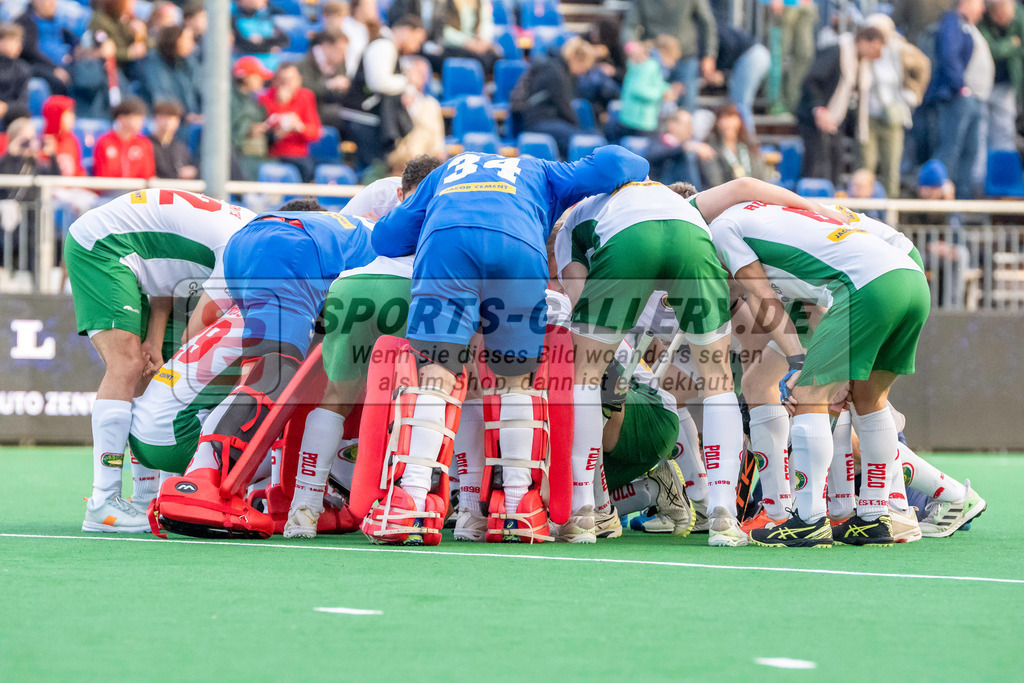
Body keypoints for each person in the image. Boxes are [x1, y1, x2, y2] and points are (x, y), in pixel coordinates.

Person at [368, 145, 649, 544]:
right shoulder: (542, 170)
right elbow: (622, 162)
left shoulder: (446, 171)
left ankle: (410, 504)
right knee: (514, 379)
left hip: (448, 248)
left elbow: (385, 237)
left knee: (437, 372)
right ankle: (518, 508)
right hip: (518, 248)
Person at [703, 197, 929, 548]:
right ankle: (873, 516)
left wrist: (799, 366)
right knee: (869, 399)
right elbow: (812, 302)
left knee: (808, 396)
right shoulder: (770, 220)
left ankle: (808, 520)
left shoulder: (720, 229)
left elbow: (762, 294)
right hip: (912, 280)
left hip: (867, 285)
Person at [157, 200, 377, 539]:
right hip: (292, 249)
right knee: (274, 376)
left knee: (284, 378)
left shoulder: (348, 227)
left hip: (247, 242)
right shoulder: (397, 249)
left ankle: (278, 493)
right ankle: (202, 477)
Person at [64, 189, 255, 532]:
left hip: (134, 254)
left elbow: (164, 269)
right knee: (126, 365)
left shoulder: (249, 232)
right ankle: (103, 504)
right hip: (103, 247)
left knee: (147, 368)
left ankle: (144, 498)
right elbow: (193, 342)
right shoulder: (241, 251)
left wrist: (154, 339)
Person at [282, 156, 443, 538]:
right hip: (411, 286)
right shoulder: (447, 206)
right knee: (433, 389)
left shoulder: (387, 207)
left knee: (336, 396)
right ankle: (414, 501)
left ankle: (303, 507)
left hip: (352, 284)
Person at [796, 25, 886, 185]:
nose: (877, 54)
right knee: (815, 163)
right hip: (814, 116)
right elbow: (811, 80)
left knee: (835, 161)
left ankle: (833, 196)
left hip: (836, 118)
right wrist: (819, 109)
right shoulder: (837, 52)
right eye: (875, 47)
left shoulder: (862, 64)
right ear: (864, 41)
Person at [922, 0, 992, 199]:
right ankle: (937, 210)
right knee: (950, 152)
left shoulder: (969, 25)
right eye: (980, 3)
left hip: (974, 98)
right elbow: (949, 55)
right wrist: (960, 86)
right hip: (958, 98)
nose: (983, 9)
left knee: (969, 154)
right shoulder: (953, 22)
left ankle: (960, 208)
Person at [340, 15, 427, 170]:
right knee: (374, 171)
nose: (416, 47)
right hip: (362, 120)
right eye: (417, 40)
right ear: (407, 31)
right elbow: (379, 83)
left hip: (369, 119)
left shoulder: (388, 46)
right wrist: (407, 80)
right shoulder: (383, 46)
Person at [862, 13, 931, 200]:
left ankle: (890, 211)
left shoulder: (901, 49)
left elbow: (923, 66)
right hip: (867, 115)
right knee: (865, 166)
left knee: (891, 166)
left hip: (893, 114)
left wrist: (913, 93)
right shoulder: (864, 50)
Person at [627, 0, 717, 113]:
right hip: (655, 58)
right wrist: (632, 47)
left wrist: (709, 55)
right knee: (655, 107)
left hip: (686, 57)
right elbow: (630, 26)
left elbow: (706, 23)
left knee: (685, 107)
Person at [517, 37, 596, 159]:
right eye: (583, 68)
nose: (581, 73)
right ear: (577, 60)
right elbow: (563, 106)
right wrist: (577, 127)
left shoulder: (556, 68)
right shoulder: (555, 72)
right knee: (579, 138)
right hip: (539, 121)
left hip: (544, 119)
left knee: (586, 135)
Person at [259, 62, 322, 182]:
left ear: (299, 80)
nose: (287, 84)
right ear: (275, 81)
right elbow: (263, 131)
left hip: (300, 155)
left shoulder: (306, 96)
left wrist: (299, 127)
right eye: (282, 80)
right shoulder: (265, 98)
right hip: (275, 155)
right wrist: (282, 105)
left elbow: (315, 133)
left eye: (291, 80)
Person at [978, 0, 1024, 153]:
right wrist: (1011, 44)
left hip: (1009, 82)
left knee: (1005, 129)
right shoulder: (983, 19)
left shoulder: (1020, 17)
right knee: (983, 129)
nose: (1002, 21)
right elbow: (990, 49)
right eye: (998, 17)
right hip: (986, 83)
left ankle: (1004, 165)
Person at [388, 56, 446, 173]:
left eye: (423, 73)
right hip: (400, 162)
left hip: (426, 162)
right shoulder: (395, 101)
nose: (422, 77)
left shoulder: (432, 104)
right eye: (417, 72)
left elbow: (438, 140)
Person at [611, 40, 675, 141]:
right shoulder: (643, 66)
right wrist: (662, 93)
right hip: (638, 121)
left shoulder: (644, 66)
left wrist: (667, 89)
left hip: (637, 119)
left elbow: (656, 83)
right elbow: (639, 90)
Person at [716, 22, 771, 134]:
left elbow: (730, 45)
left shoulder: (715, 29)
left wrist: (720, 71)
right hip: (756, 55)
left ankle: (748, 140)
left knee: (740, 105)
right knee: (739, 103)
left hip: (752, 56)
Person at [13, 0, 76, 96]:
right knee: (59, 82)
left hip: (63, 64)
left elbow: (75, 42)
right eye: (48, 2)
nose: (52, 5)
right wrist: (54, 68)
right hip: (37, 66)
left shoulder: (58, 21)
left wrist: (75, 54)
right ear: (35, 2)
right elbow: (30, 52)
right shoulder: (25, 22)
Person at [137, 25, 202, 116]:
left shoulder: (189, 62)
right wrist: (185, 116)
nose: (192, 44)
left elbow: (200, 89)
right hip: (168, 118)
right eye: (188, 39)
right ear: (175, 40)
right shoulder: (153, 62)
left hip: (191, 117)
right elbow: (162, 95)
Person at [297, 30, 350, 134]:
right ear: (326, 46)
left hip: (332, 107)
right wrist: (329, 85)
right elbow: (305, 90)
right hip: (313, 110)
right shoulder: (305, 63)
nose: (343, 55)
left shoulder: (339, 64)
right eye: (339, 50)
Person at [646, 109, 716, 188]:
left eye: (691, 125)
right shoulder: (658, 140)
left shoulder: (686, 147)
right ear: (672, 125)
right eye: (687, 124)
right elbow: (655, 155)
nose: (690, 129)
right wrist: (686, 147)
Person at [93, 96, 156, 179]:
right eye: (136, 117)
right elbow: (101, 174)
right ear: (121, 118)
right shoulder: (104, 142)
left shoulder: (144, 144)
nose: (141, 122)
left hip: (138, 190)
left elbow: (148, 174)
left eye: (141, 118)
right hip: (111, 189)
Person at [703, 103, 766, 186]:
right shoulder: (711, 148)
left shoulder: (749, 145)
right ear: (717, 122)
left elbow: (761, 177)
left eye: (732, 117)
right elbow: (714, 182)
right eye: (724, 118)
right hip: (725, 195)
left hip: (753, 194)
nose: (728, 123)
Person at [230, 55, 271, 181]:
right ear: (246, 78)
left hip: (253, 152)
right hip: (237, 155)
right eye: (257, 76)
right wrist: (248, 130)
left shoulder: (253, 99)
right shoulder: (229, 99)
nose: (261, 81)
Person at [87, 0, 149, 80]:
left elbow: (149, 46)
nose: (134, 3)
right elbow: (101, 52)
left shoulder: (129, 17)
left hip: (129, 67)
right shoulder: (100, 20)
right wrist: (128, 53)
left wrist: (141, 34)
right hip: (109, 71)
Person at [232, 0, 289, 71]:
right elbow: (242, 43)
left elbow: (284, 40)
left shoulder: (271, 16)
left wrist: (261, 41)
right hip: (245, 66)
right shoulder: (233, 19)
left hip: (271, 68)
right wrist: (269, 47)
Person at [149, 100, 197, 180]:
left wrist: (192, 171)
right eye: (163, 117)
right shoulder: (146, 144)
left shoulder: (181, 147)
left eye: (171, 118)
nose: (167, 122)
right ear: (155, 118)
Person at [41, 94, 85, 177]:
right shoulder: (43, 143)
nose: (73, 117)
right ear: (56, 116)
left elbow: (79, 173)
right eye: (69, 113)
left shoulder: (72, 140)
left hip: (73, 188)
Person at [0, 23, 32, 122]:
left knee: (24, 115)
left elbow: (22, 102)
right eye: (13, 41)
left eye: (19, 41)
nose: (18, 45)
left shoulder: (23, 69)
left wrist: (5, 107)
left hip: (11, 114)